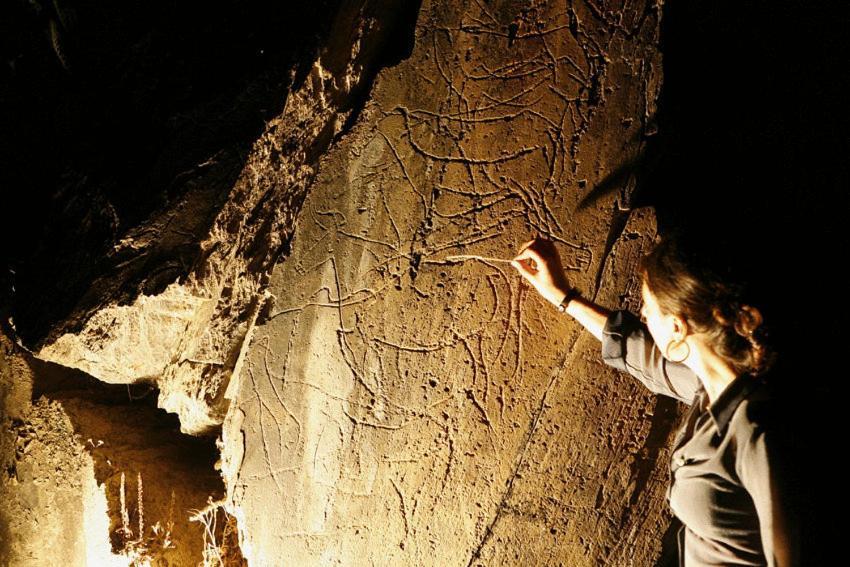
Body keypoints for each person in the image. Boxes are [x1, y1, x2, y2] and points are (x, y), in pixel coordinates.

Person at [510, 234, 801, 567]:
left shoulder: (754, 429)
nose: (643, 312)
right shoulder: (710, 389)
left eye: (648, 305)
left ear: (677, 326)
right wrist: (563, 296)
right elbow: (640, 353)